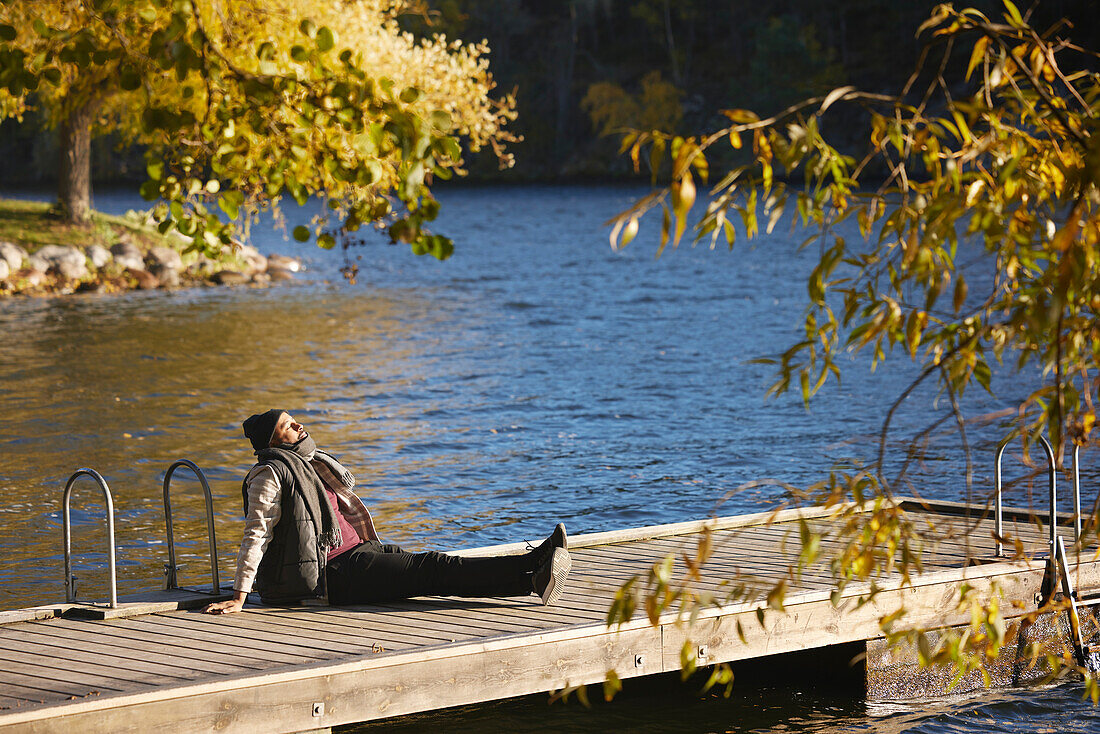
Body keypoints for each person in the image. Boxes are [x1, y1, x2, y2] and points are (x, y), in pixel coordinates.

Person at [203, 409, 571, 614]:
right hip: (333, 574)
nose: (298, 425)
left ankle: (530, 580)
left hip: (358, 554)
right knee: (434, 569)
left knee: (431, 574)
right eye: (287, 425)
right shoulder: (269, 472)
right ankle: (537, 560)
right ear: (271, 441)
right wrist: (240, 594)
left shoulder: (309, 462)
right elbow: (257, 532)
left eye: (293, 419)